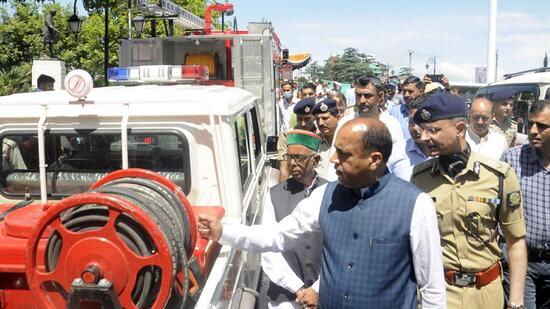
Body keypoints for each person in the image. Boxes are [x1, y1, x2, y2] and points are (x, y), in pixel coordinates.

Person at [198, 117, 447, 309]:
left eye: (344, 154)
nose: (334, 160)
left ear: (374, 159)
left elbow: (432, 288)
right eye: (335, 150)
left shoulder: (416, 205)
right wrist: (223, 232)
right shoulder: (325, 196)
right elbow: (276, 237)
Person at [411, 92, 527, 309]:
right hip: (439, 295)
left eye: (433, 130)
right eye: (423, 130)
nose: (424, 137)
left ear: (460, 130)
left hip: (486, 294)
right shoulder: (419, 179)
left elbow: (515, 241)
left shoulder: (499, 176)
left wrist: (516, 301)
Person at [259, 129, 326, 309]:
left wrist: (317, 289)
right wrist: (298, 289)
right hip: (285, 297)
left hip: (324, 294)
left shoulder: (330, 192)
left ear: (316, 160)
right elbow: (268, 249)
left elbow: (341, 250)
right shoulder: (274, 195)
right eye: (289, 157)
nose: (293, 163)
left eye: (300, 158)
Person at [501, 99, 550, 309]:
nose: (532, 131)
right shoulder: (512, 160)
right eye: (530, 124)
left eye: (542, 126)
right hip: (522, 263)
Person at [337, 75, 404, 144]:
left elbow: (398, 153)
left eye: (367, 96)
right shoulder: (345, 123)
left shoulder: (391, 124)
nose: (362, 100)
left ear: (380, 97)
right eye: (358, 95)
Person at [387, 94, 431, 181]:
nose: (415, 128)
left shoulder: (449, 151)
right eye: (411, 121)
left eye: (420, 121)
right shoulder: (395, 152)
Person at [277, 98, 316, 182]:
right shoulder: (287, 136)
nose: (303, 123)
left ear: (315, 117)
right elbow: (284, 168)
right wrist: (280, 192)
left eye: (307, 119)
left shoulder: (320, 136)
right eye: (299, 119)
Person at [311, 99, 342, 181]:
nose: (320, 123)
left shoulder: (347, 140)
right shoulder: (314, 143)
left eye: (325, 118)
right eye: (317, 119)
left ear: (338, 117)